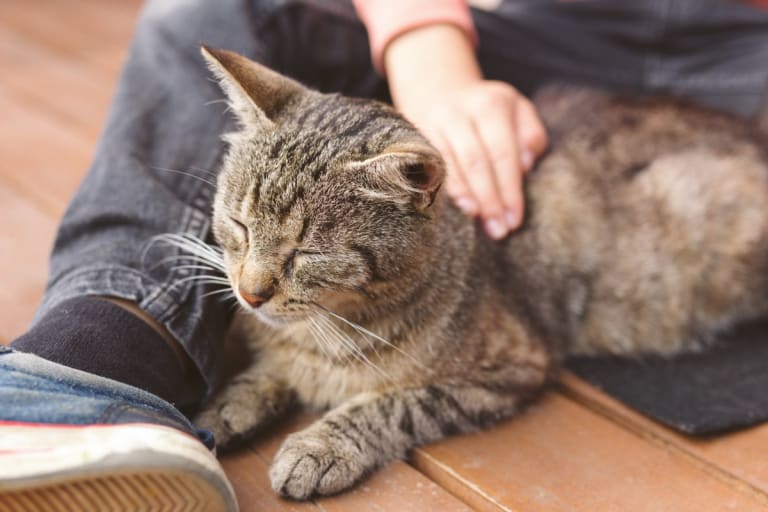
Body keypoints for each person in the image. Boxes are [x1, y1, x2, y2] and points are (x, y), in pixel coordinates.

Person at [2, 0, 767, 510]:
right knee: (211, 8)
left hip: (744, 56)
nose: (253, 283)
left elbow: (508, 365)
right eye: (238, 237)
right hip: (529, 20)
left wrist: (364, 427)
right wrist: (431, 61)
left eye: (293, 261)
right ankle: (112, 343)